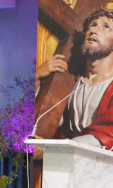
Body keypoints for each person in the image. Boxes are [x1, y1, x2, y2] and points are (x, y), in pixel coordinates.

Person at [47, 9, 113, 147]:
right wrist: (37, 78)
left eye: (106, 27)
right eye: (92, 25)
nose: (94, 31)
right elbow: (50, 120)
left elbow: (108, 133)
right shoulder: (70, 81)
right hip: (64, 162)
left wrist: (56, 149)